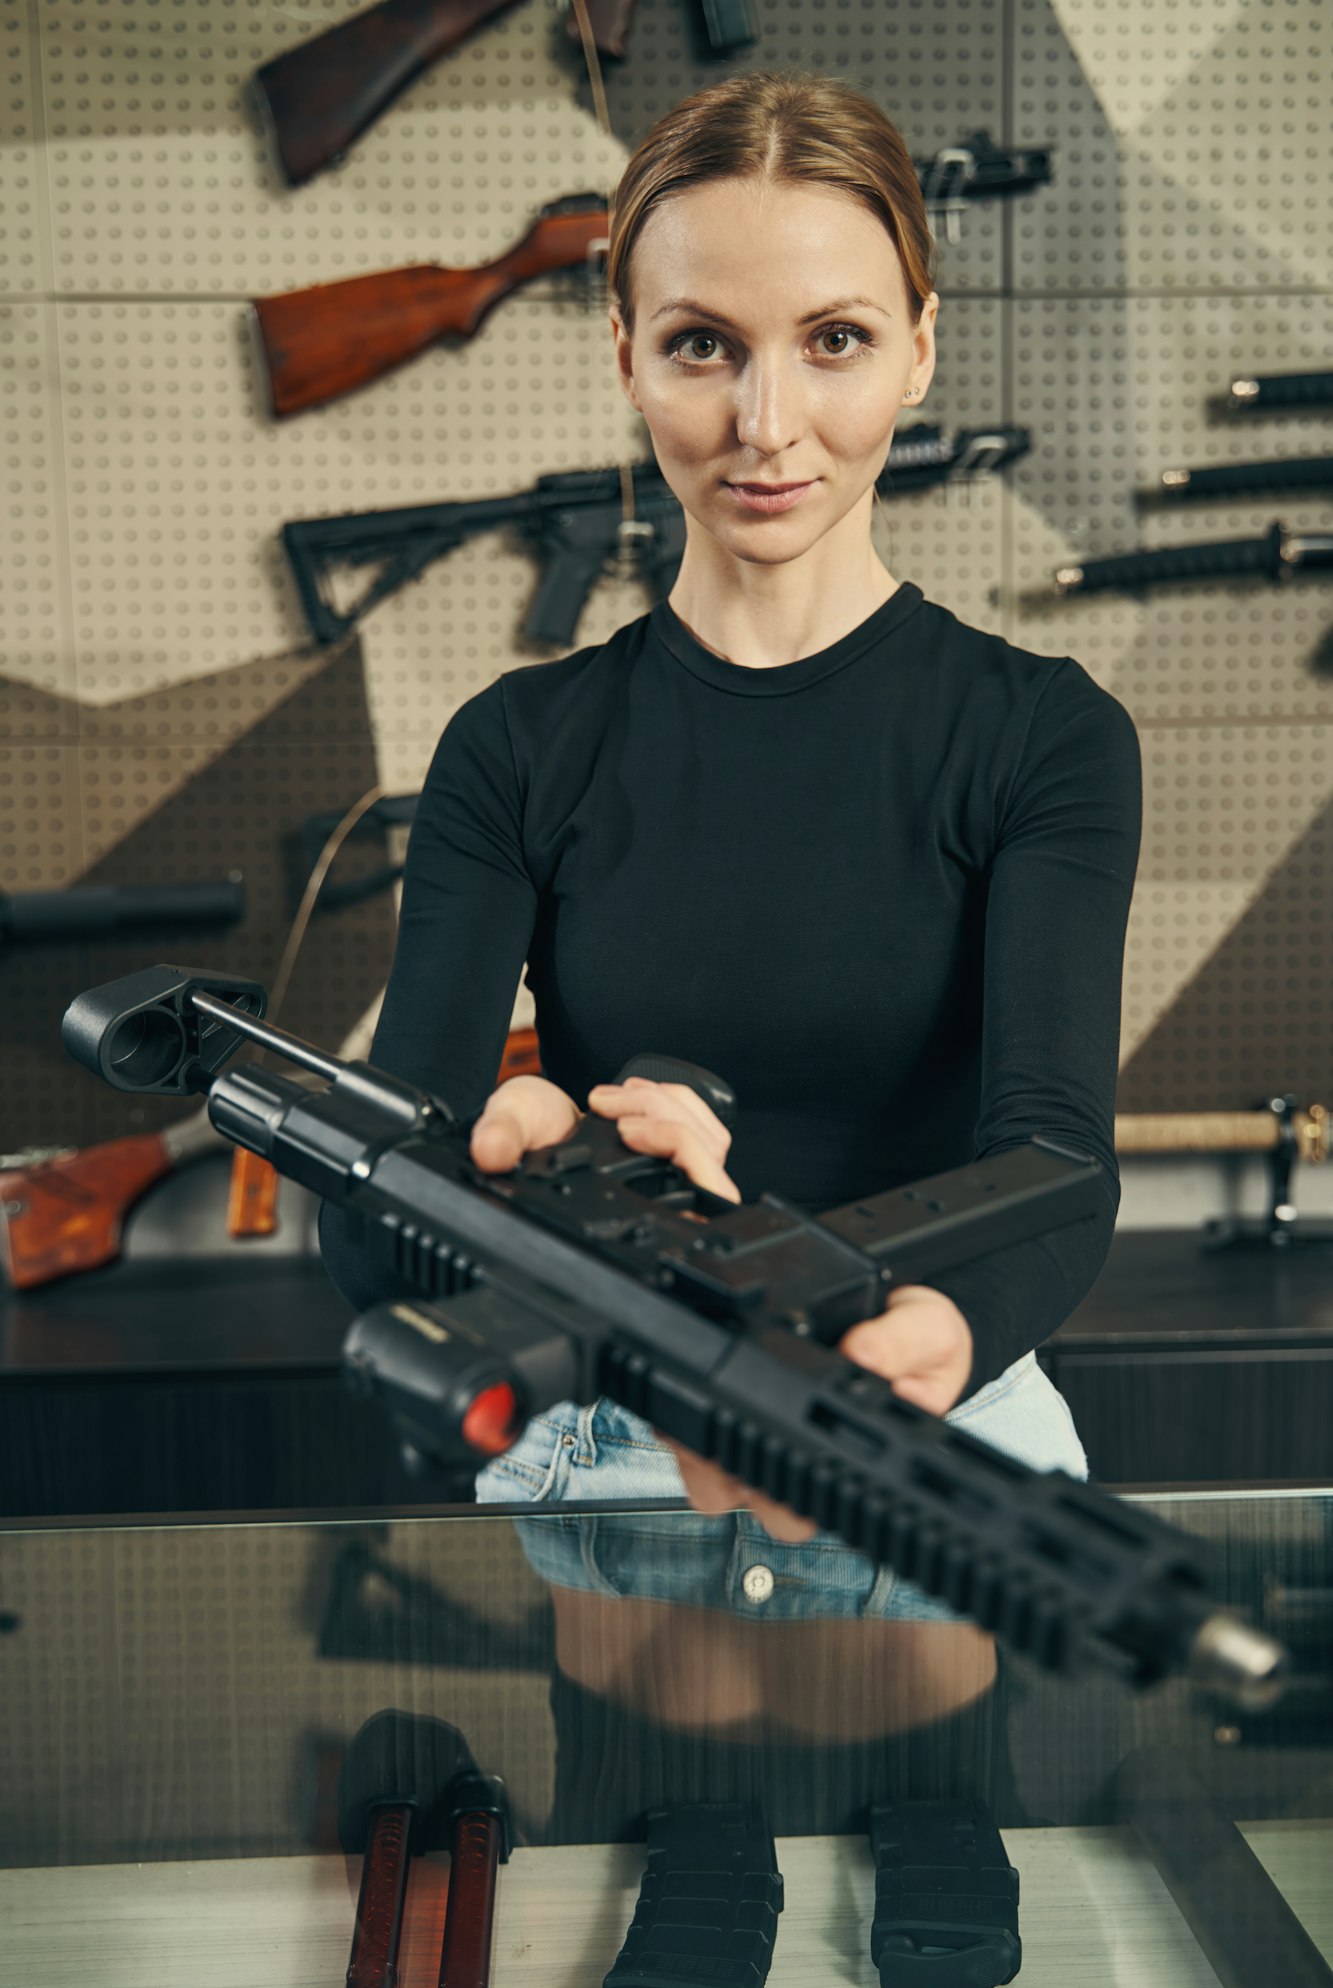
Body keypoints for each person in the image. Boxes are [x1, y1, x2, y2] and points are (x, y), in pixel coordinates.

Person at [319, 67, 1142, 1553]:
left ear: (918, 353)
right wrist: (523, 1176)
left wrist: (927, 1346)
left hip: (928, 1433)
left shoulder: (1043, 736)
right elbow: (374, 1227)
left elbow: (1057, 1161)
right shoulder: (513, 748)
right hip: (609, 1440)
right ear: (627, 356)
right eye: (704, 345)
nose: (766, 422)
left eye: (834, 340)